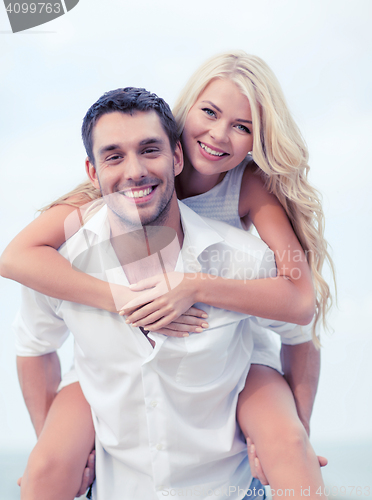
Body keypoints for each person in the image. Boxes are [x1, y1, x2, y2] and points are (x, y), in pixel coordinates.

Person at [0, 51, 333, 495]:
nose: (219, 135)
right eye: (210, 113)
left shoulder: (247, 189)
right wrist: (122, 301)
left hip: (233, 344)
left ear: (173, 155)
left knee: (286, 443)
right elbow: (15, 260)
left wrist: (194, 286)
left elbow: (298, 304)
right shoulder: (95, 204)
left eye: (243, 126)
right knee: (47, 467)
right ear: (186, 113)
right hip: (107, 368)